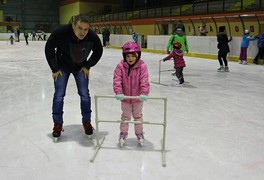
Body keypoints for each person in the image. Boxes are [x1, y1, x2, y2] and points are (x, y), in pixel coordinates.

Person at [45, 14, 103, 141]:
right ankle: (58, 124)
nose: (83, 32)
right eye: (80, 28)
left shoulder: (92, 36)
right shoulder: (61, 32)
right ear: (73, 25)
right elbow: (49, 48)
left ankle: (87, 122)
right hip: (62, 67)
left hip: (80, 67)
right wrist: (55, 68)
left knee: (84, 95)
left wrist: (88, 65)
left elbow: (98, 51)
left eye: (86, 29)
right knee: (59, 95)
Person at [113, 41, 150, 147]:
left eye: (133, 56)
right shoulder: (120, 66)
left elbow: (144, 80)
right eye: (128, 56)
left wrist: (144, 93)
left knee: (138, 117)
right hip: (125, 98)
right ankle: (123, 134)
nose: (130, 58)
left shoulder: (142, 66)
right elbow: (117, 80)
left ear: (137, 56)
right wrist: (119, 92)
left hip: (138, 98)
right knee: (125, 117)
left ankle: (139, 134)